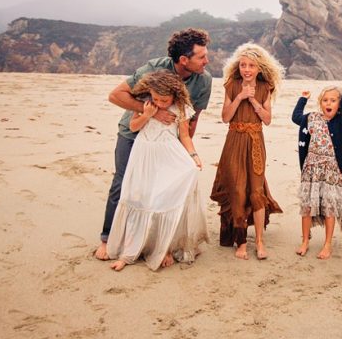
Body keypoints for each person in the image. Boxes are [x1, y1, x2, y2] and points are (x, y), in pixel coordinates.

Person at [93, 28, 212, 261]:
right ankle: (108, 238)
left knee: (162, 189)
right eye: (202, 56)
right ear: (183, 60)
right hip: (134, 132)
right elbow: (116, 95)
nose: (207, 60)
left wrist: (184, 151)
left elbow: (193, 119)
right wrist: (153, 113)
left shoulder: (204, 80)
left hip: (168, 141)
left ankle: (159, 242)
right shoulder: (154, 68)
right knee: (123, 183)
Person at [105, 71, 208, 271]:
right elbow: (134, 127)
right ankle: (129, 252)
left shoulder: (181, 108)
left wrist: (194, 157)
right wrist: (147, 114)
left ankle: (165, 248)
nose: (160, 103)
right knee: (139, 198)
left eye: (164, 99)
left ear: (175, 95)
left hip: (168, 155)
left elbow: (185, 136)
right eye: (156, 98)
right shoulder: (146, 103)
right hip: (143, 154)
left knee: (164, 200)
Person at [210, 43, 284, 260]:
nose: (247, 69)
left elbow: (267, 120)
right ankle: (241, 241)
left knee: (256, 191)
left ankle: (259, 241)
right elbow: (225, 117)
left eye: (251, 65)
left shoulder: (265, 87)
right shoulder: (231, 85)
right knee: (237, 189)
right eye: (243, 65)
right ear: (238, 66)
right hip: (233, 140)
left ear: (259, 68)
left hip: (255, 142)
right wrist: (241, 96)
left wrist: (253, 99)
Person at [291, 86, 342, 259]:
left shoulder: (340, 121)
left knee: (329, 207)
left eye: (333, 100)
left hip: (331, 170)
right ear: (320, 103)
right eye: (325, 100)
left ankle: (327, 244)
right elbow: (295, 117)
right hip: (311, 169)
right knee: (307, 207)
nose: (328, 103)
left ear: (339, 104)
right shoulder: (312, 118)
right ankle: (305, 241)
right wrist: (303, 98)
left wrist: (340, 96)